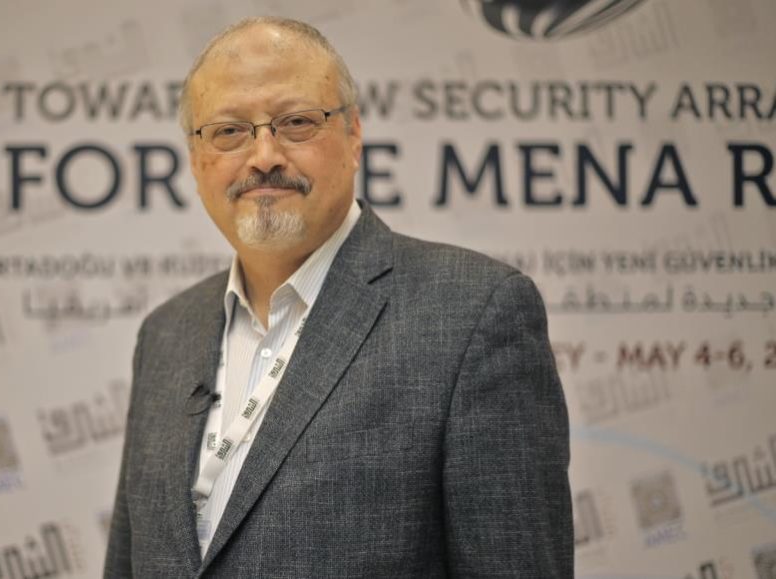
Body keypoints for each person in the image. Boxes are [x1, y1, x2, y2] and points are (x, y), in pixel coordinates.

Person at [105, 16, 572, 578]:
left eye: (296, 123)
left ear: (354, 135)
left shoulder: (473, 315)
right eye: (229, 131)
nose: (264, 156)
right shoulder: (165, 334)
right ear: (194, 158)